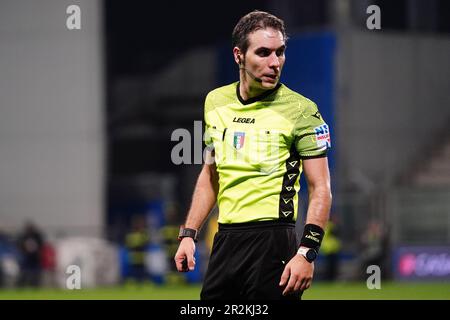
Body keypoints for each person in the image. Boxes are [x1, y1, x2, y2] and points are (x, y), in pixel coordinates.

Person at [174, 10, 332, 300]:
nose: (275, 63)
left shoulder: (302, 111)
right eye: (263, 53)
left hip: (274, 243)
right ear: (239, 55)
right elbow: (211, 174)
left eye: (280, 52)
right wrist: (188, 234)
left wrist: (307, 253)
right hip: (225, 242)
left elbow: (321, 187)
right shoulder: (215, 101)